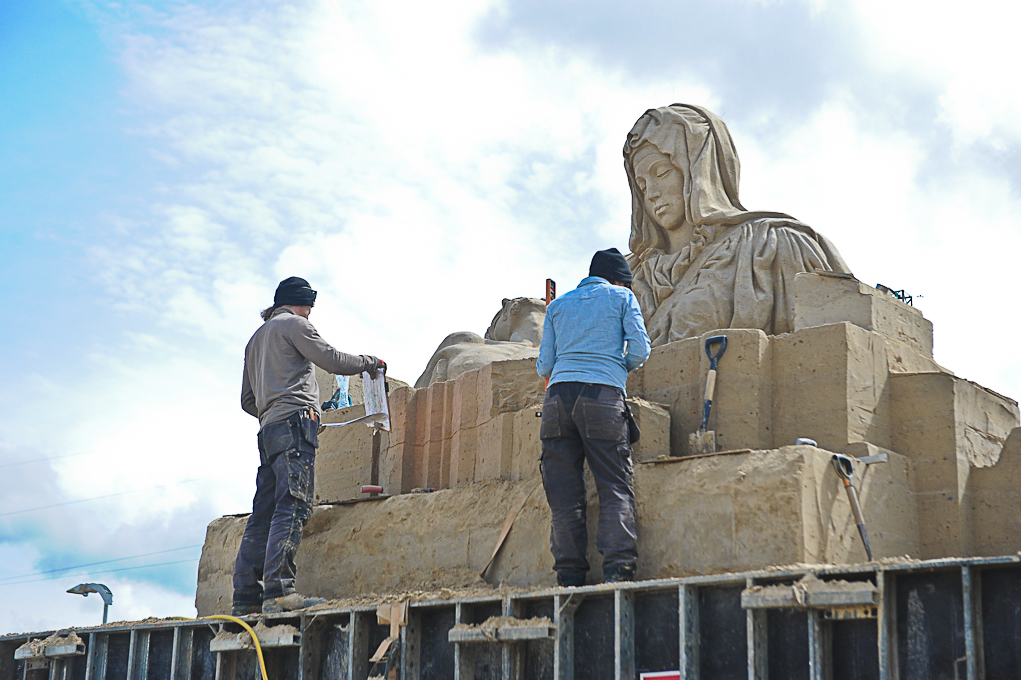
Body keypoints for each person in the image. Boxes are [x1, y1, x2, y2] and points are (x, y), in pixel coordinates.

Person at [624, 103, 853, 346]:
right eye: (642, 184)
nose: (652, 193)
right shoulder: (627, 277)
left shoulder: (772, 247)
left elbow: (830, 350)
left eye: (661, 173)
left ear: (698, 168)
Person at [233, 276, 385, 615]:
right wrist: (370, 362)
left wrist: (273, 406)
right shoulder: (294, 325)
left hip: (268, 429)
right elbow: (331, 360)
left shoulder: (255, 339)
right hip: (295, 424)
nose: (311, 313)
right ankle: (279, 593)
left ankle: (244, 597)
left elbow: (247, 400)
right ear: (303, 303)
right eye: (311, 306)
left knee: (264, 513)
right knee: (295, 504)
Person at [536, 249, 651, 586]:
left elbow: (544, 366)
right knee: (614, 485)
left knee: (564, 496)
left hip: (556, 401)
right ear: (618, 280)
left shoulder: (557, 307)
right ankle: (618, 571)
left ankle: (569, 576)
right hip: (601, 397)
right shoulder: (621, 297)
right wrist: (616, 368)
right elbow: (641, 349)